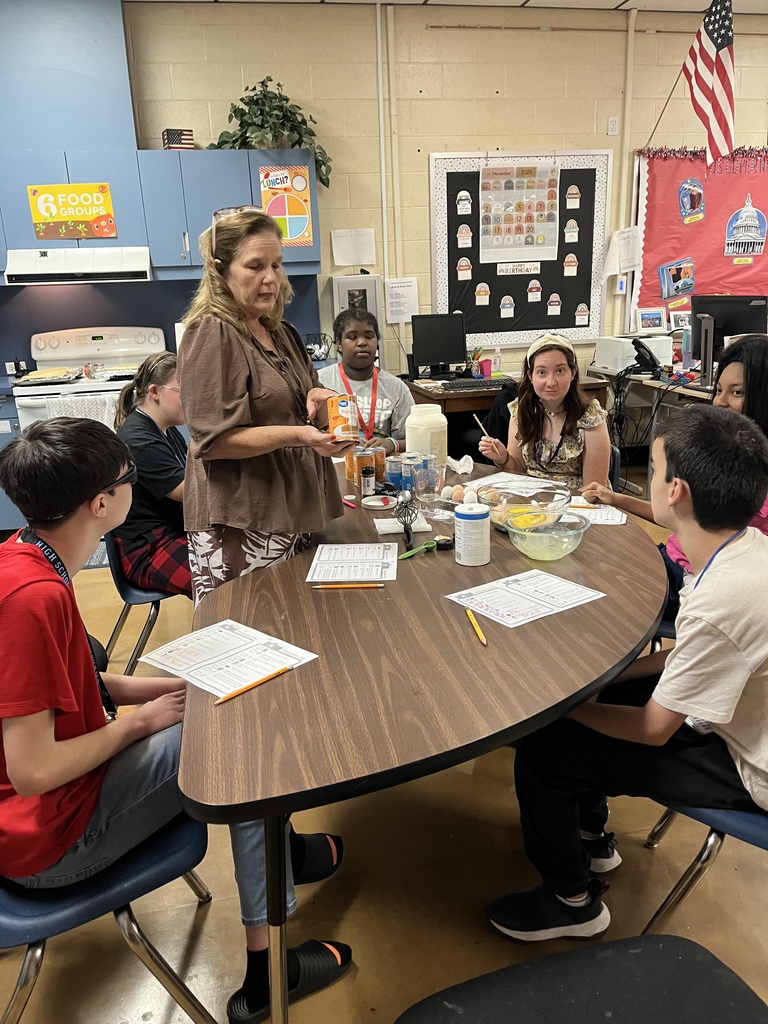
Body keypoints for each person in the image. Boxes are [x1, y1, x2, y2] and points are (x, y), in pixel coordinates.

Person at [0, 418, 352, 1024]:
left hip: (53, 806)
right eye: (130, 477)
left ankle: (283, 853)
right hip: (53, 840)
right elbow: (33, 770)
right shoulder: (34, 599)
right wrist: (141, 724)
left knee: (232, 706)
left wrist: (172, 687)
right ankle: (267, 976)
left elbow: (78, 684)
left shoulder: (23, 558)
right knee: (244, 747)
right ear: (103, 502)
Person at [485, 405, 768, 942]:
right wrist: (602, 680)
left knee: (544, 742)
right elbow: (689, 656)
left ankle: (570, 900)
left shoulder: (722, 597)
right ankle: (591, 836)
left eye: (654, 467)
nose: (648, 477)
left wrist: (572, 705)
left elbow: (653, 729)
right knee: (586, 708)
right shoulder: (744, 551)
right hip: (734, 714)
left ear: (676, 491)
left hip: (750, 764)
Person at [178, 208, 356, 604]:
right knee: (252, 627)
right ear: (221, 271)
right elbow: (214, 441)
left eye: (277, 264)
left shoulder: (281, 331)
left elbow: (305, 402)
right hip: (243, 517)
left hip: (291, 505)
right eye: (255, 266)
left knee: (295, 623)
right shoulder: (212, 333)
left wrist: (323, 403)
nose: (271, 278)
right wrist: (298, 435)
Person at [582, 334, 768, 623]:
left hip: (693, 583)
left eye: (737, 393)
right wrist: (617, 498)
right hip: (672, 561)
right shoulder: (723, 453)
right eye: (719, 390)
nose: (719, 402)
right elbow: (678, 511)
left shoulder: (750, 471)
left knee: (599, 610)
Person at [478, 334, 611, 489]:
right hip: (532, 500)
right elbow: (518, 470)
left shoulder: (591, 416)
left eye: (560, 371)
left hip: (578, 504)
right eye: (542, 372)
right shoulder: (522, 411)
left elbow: (594, 489)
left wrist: (552, 505)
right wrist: (504, 458)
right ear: (530, 376)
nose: (551, 382)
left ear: (573, 373)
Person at [112, 352, 192, 599]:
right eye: (184, 390)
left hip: (170, 532)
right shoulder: (139, 440)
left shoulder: (166, 429)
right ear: (155, 391)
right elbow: (188, 492)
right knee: (219, 577)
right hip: (147, 548)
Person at [317, 309, 414, 454]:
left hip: (381, 466)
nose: (362, 342)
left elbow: (414, 439)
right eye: (352, 337)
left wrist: (392, 444)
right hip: (334, 467)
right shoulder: (320, 382)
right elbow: (306, 435)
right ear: (338, 343)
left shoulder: (397, 388)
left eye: (369, 336)